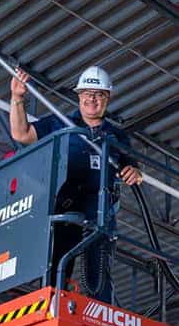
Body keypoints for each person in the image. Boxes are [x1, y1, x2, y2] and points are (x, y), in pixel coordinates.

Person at [9, 65, 142, 304]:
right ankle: (52, 304)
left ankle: (100, 311)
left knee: (98, 264)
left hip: (100, 204)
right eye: (87, 93)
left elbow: (133, 168)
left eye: (99, 94)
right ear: (79, 95)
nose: (92, 99)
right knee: (58, 257)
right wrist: (17, 98)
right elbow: (21, 134)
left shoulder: (117, 135)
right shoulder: (59, 123)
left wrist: (134, 171)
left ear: (107, 98)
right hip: (64, 200)